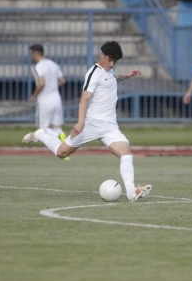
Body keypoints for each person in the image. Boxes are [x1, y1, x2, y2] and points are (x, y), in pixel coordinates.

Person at [22, 41, 152, 202]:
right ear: (102, 55)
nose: (111, 64)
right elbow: (84, 99)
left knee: (126, 154)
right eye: (110, 60)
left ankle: (132, 191)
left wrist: (125, 75)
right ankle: (41, 135)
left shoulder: (109, 70)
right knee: (61, 153)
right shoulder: (93, 73)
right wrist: (80, 122)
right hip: (90, 124)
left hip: (110, 126)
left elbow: (110, 81)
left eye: (115, 62)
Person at [28, 44, 69, 160]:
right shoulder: (53, 64)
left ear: (35, 53)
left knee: (42, 129)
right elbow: (62, 80)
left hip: (44, 100)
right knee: (56, 126)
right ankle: (61, 139)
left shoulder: (38, 66)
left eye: (31, 54)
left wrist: (34, 95)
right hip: (56, 98)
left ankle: (56, 137)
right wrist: (52, 87)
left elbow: (41, 83)